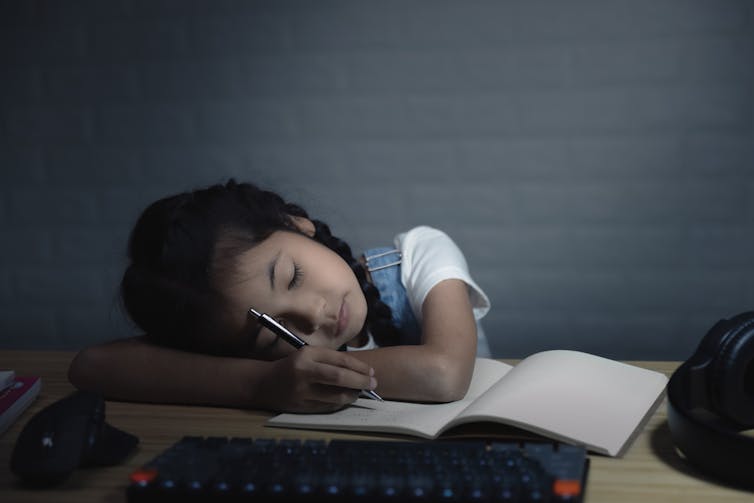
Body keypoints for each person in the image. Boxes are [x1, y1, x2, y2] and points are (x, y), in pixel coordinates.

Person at [68, 180, 491, 413]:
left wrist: (291, 375)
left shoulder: (420, 253)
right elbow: (91, 366)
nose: (311, 316)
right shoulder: (264, 367)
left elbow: (442, 372)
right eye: (275, 336)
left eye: (292, 277)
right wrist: (262, 384)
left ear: (298, 223)